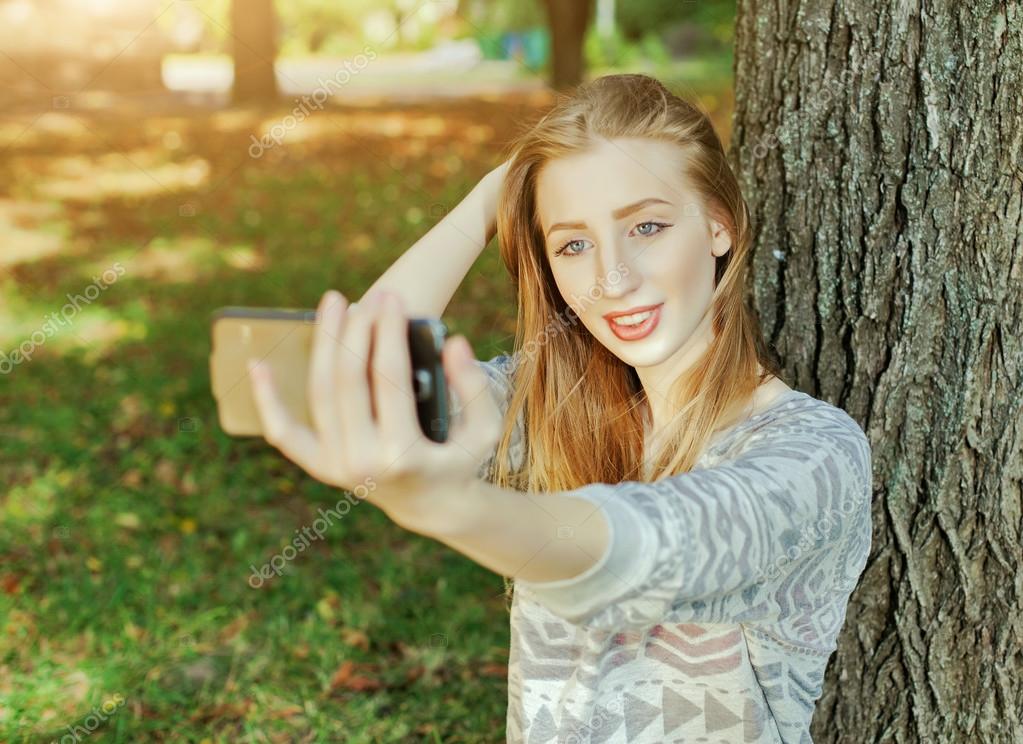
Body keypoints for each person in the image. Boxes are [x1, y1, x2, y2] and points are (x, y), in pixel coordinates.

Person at [247, 73, 873, 744]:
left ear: (718, 227)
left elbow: (642, 551)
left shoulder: (813, 452)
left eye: (647, 226)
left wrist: (447, 506)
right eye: (573, 244)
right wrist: (489, 199)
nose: (612, 278)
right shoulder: (546, 407)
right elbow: (355, 376)